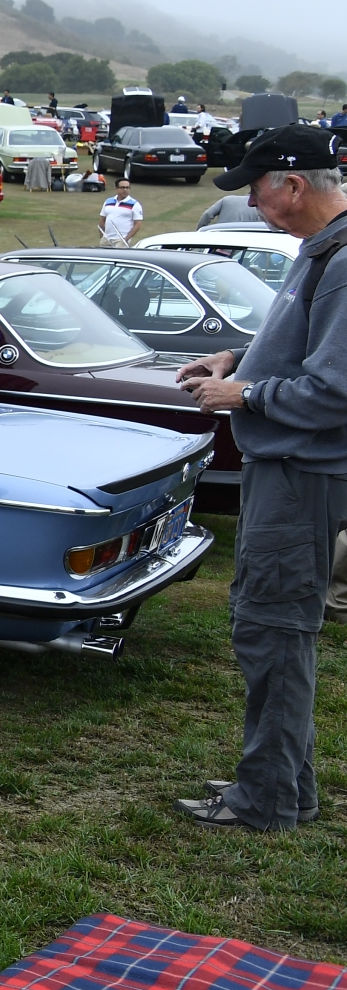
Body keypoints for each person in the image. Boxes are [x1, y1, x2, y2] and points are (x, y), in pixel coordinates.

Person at [173, 128, 347, 830]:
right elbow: (304, 348)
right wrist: (237, 359)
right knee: (275, 630)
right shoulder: (323, 251)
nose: (251, 202)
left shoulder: (342, 260)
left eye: (255, 187)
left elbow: (334, 390)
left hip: (301, 474)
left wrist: (243, 394)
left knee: (273, 629)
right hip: (291, 471)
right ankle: (285, 786)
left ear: (293, 185)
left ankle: (266, 798)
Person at [99, 178, 143, 246]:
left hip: (121, 240)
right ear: (116, 188)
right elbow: (102, 220)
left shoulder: (134, 204)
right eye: (122, 187)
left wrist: (126, 239)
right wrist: (102, 236)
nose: (125, 190)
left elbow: (137, 224)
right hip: (106, 239)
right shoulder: (108, 201)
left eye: (127, 187)